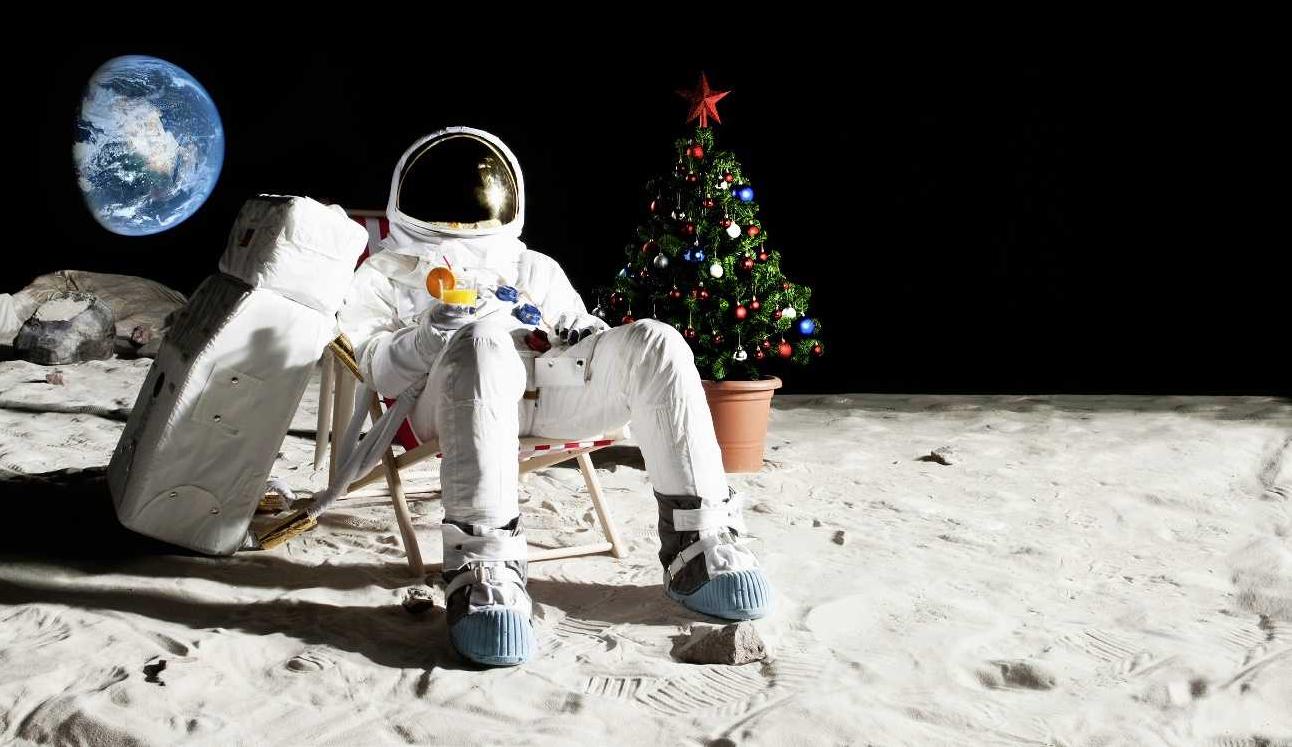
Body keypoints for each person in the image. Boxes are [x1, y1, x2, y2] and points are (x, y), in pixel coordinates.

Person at [337, 127, 772, 667]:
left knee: (656, 341)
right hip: (446, 404)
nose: (461, 213)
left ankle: (699, 546)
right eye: (444, 195)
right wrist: (429, 335)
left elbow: (575, 328)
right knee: (483, 341)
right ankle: (484, 567)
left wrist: (584, 335)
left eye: (475, 194)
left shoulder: (533, 268)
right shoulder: (383, 273)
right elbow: (374, 368)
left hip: (549, 394)